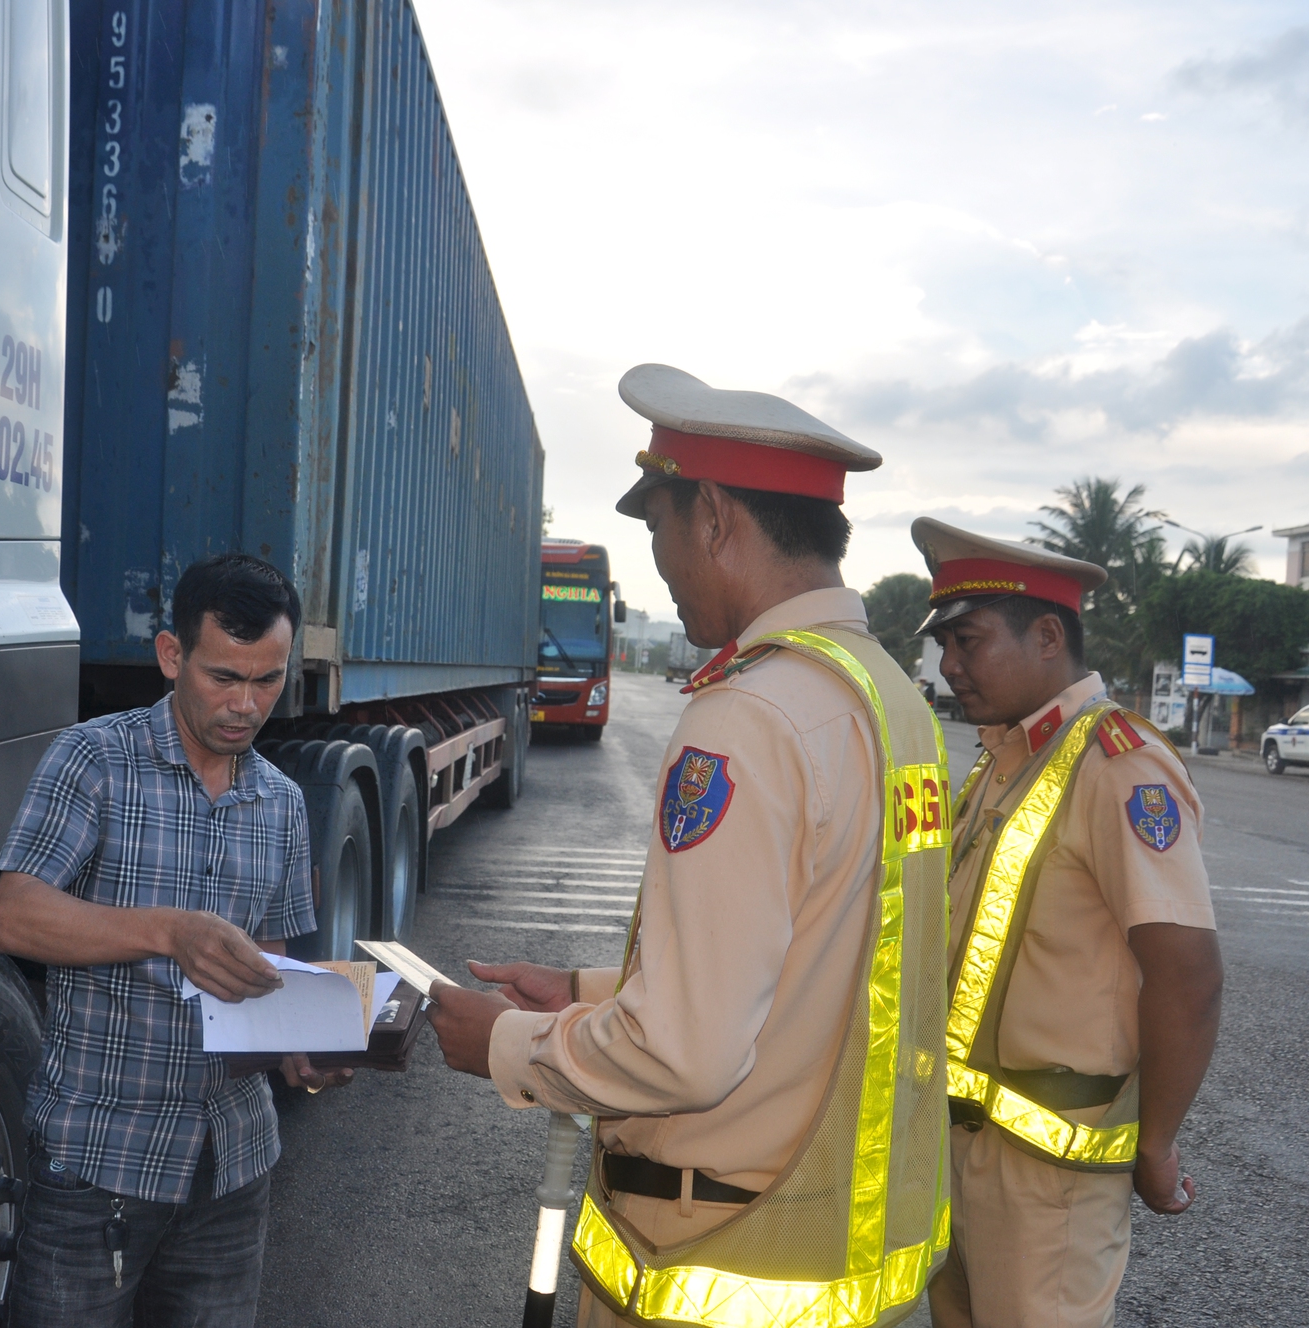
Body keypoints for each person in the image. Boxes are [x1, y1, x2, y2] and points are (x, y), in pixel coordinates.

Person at [429, 364, 953, 1328]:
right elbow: (821, 961)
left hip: (715, 1251)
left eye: (657, 529)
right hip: (823, 1239)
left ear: (712, 517)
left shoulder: (750, 717)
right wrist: (585, 990)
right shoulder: (890, 702)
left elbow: (684, 1054)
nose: (662, 567)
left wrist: (502, 1043)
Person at [0, 552, 350, 1328]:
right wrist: (168, 931)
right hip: (98, 1166)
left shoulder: (282, 803)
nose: (246, 705)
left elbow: (273, 965)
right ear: (171, 654)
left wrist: (306, 1045)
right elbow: (13, 914)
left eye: (268, 680)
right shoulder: (94, 760)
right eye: (224, 677)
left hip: (234, 1168)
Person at [911, 518, 1224, 1328]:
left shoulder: (1117, 765)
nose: (949, 665)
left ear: (1049, 637)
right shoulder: (1004, 759)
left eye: (968, 641)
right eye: (944, 644)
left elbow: (1187, 974)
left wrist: (1156, 1144)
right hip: (958, 1149)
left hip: (1049, 1180)